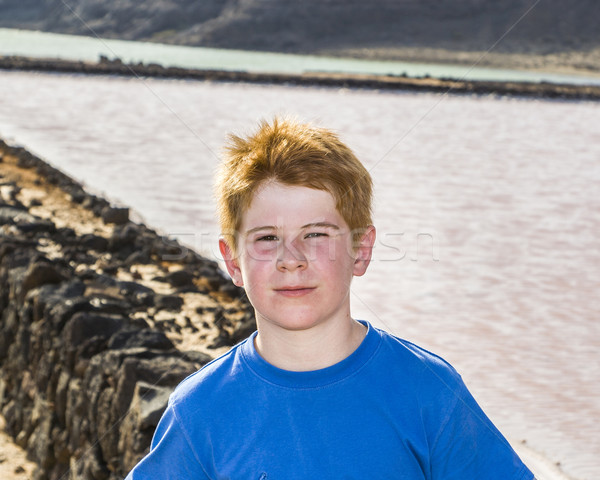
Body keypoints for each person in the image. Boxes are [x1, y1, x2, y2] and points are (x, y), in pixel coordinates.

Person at [125, 117, 534, 479]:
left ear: (361, 250)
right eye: (267, 238)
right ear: (233, 261)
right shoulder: (201, 411)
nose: (292, 259)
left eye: (316, 234)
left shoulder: (428, 390)